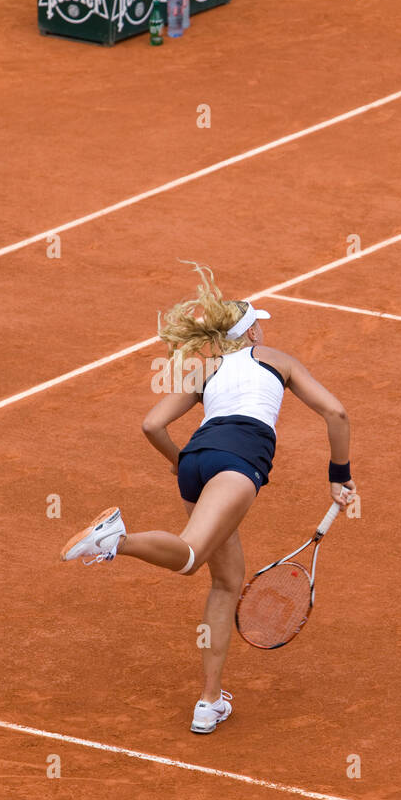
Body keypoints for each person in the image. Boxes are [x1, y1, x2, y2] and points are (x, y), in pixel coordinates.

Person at [62, 265, 355, 735]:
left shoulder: (207, 369)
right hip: (237, 462)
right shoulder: (276, 358)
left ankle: (209, 701)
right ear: (252, 331)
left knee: (226, 582)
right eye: (259, 323)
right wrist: (339, 477)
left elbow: (151, 425)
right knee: (190, 557)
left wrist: (182, 463)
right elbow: (336, 412)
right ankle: (118, 538)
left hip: (197, 461)